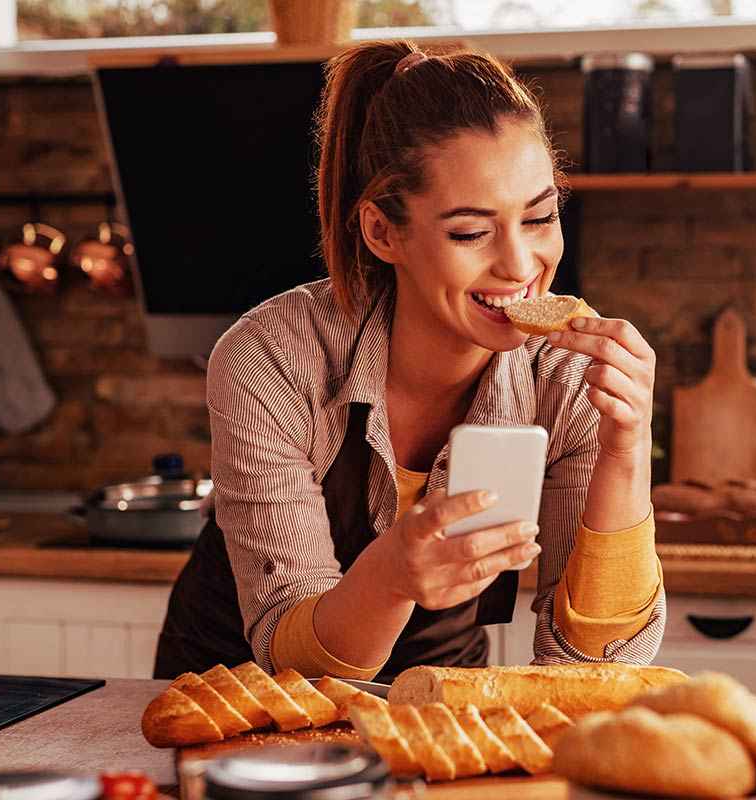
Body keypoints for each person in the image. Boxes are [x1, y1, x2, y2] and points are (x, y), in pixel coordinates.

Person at [154, 41, 665, 681]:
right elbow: (290, 656)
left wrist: (627, 449)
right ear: (382, 232)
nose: (519, 265)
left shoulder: (568, 380)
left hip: (437, 689)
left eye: (539, 217)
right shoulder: (273, 357)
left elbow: (594, 669)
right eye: (470, 232)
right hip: (236, 696)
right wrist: (392, 575)